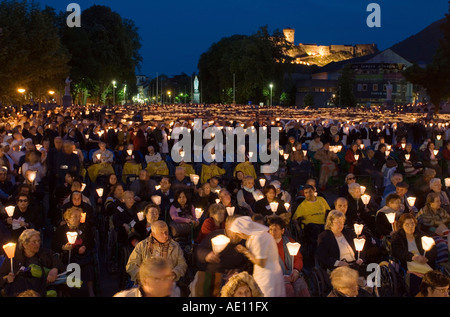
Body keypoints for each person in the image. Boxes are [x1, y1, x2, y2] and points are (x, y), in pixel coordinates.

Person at [227, 216, 286, 297]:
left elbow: (261, 262)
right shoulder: (255, 236)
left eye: (238, 234)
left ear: (242, 232)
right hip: (264, 274)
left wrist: (246, 252)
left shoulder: (259, 238)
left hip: (268, 276)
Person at [0, 229, 64, 297]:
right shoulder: (13, 256)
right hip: (18, 292)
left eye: (39, 241)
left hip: (39, 291)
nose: (38, 244)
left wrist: (55, 269)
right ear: (24, 244)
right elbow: (1, 275)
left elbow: (58, 263)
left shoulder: (44, 253)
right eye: (34, 242)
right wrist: (6, 279)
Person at [126, 221, 187, 291]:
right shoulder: (142, 246)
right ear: (153, 234)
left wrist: (174, 273)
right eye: (161, 233)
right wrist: (142, 276)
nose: (165, 235)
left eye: (166, 232)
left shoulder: (175, 246)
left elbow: (182, 264)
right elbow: (131, 265)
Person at [52, 207, 95, 297]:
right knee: (70, 265)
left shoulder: (84, 228)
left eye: (79, 216)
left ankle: (91, 291)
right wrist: (64, 247)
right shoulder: (61, 229)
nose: (77, 218)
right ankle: (68, 290)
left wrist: (84, 246)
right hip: (66, 255)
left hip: (82, 255)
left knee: (88, 266)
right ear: (68, 218)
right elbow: (54, 245)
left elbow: (91, 241)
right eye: (74, 216)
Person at [390, 213, 437, 296]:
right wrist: (413, 257)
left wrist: (427, 258)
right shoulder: (398, 238)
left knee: (436, 280)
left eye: (412, 224)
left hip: (424, 262)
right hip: (409, 263)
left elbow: (432, 249)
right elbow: (397, 252)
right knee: (416, 281)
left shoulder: (422, 235)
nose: (410, 226)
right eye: (407, 224)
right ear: (402, 226)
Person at [267, 216, 310, 297]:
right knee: (288, 289)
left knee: (301, 287)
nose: (272, 232)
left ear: (282, 231)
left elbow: (298, 258)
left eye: (275, 229)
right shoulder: (267, 245)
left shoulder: (289, 241)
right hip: (277, 276)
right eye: (270, 229)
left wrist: (296, 270)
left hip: (292, 273)